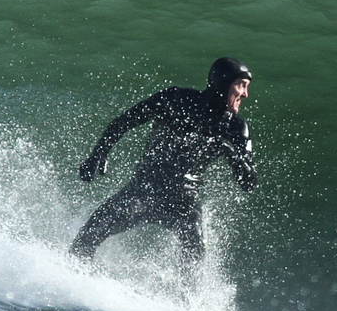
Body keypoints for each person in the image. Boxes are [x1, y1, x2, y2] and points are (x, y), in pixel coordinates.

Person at [69, 57, 256, 269]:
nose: (245, 94)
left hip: (185, 201)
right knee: (90, 232)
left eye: (246, 87)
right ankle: (72, 281)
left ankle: (189, 303)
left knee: (196, 254)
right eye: (240, 85)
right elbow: (126, 120)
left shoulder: (236, 128)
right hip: (145, 189)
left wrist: (230, 152)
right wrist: (98, 153)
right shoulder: (175, 99)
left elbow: (248, 182)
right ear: (223, 83)